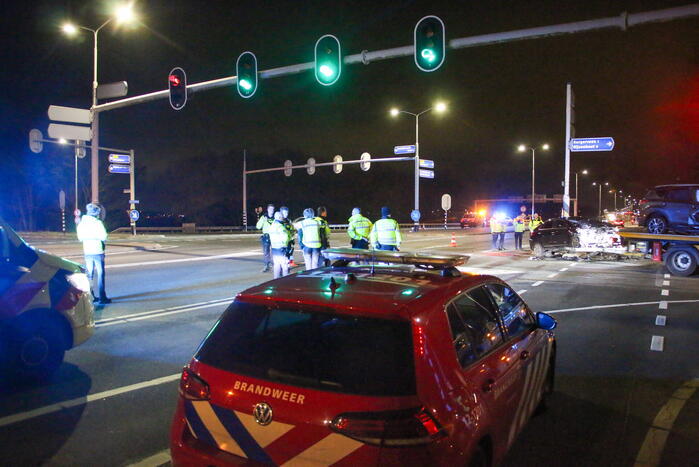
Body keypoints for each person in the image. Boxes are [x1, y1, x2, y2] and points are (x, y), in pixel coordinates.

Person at [76, 203, 111, 304]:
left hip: (87, 251)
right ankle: (102, 297)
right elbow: (104, 237)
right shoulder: (97, 223)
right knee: (100, 274)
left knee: (89, 275)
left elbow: (80, 238)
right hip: (97, 251)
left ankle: (90, 296)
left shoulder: (82, 223)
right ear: (96, 213)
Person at [269, 212, 292, 278]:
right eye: (282, 217)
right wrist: (286, 245)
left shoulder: (272, 226)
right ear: (279, 218)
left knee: (276, 266)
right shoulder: (280, 227)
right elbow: (286, 238)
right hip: (281, 249)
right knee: (285, 266)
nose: (282, 218)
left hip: (274, 249)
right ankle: (285, 281)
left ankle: (276, 281)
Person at [255, 204, 275, 272]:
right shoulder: (264, 217)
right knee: (266, 252)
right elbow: (258, 226)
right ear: (267, 209)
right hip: (266, 236)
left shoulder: (275, 217)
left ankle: (274, 265)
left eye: (272, 209)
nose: (271, 211)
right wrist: (263, 221)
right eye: (270, 209)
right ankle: (266, 265)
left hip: (274, 236)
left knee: (274, 251)